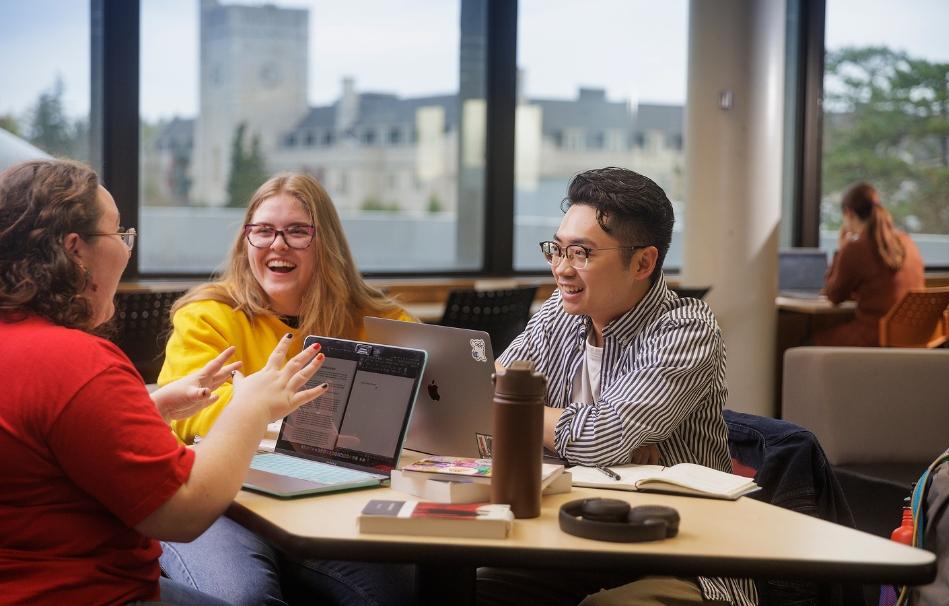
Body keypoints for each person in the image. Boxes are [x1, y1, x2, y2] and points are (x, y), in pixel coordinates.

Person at [0, 159, 328, 605]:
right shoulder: (79, 363)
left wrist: (154, 408)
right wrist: (250, 406)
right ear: (75, 249)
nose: (126, 248)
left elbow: (46, 454)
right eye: (119, 234)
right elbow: (183, 515)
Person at [476, 167, 757, 606]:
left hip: (684, 556)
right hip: (573, 540)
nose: (561, 270)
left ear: (643, 262)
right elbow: (484, 396)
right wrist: (577, 433)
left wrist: (530, 418)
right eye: (557, 249)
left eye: (582, 253)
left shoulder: (686, 328)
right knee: (472, 586)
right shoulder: (562, 311)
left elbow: (599, 439)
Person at [157, 172, 416, 606]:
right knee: (246, 597)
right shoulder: (208, 315)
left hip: (324, 498)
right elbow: (192, 417)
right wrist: (286, 420)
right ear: (246, 242)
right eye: (262, 231)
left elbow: (418, 400)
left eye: (297, 232)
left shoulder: (375, 318)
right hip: (217, 502)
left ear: (325, 243)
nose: (278, 244)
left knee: (392, 592)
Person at [813, 182, 924, 346]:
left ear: (848, 213)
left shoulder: (856, 248)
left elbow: (833, 295)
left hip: (877, 337)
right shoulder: (907, 241)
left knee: (804, 343)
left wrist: (841, 249)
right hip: (916, 336)